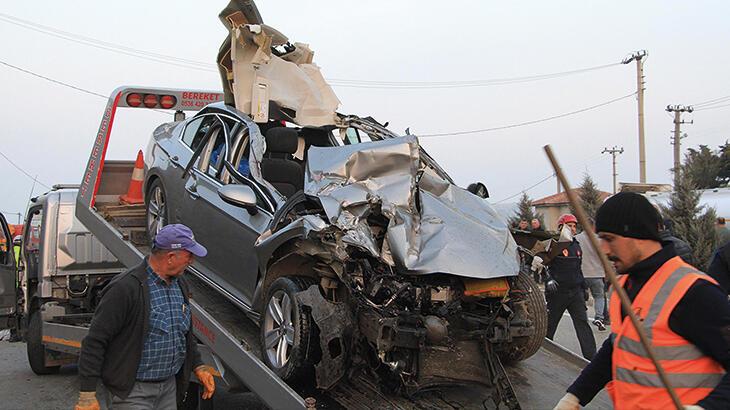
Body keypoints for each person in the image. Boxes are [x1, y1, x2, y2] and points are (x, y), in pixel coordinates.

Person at [554, 192, 730, 410]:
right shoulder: (623, 286)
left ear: (638, 236)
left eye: (610, 239)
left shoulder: (694, 292)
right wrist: (575, 396)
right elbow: (618, 346)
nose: (604, 250)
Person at [75, 224, 216, 410]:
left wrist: (198, 365)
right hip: (132, 392)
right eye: (189, 255)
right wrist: (87, 394)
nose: (192, 261)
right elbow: (95, 341)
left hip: (168, 389)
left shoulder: (180, 284)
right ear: (171, 257)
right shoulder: (125, 288)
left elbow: (184, 332)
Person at [538, 213, 597, 360]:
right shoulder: (554, 245)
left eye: (574, 226)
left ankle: (591, 359)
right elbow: (543, 265)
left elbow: (578, 268)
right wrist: (548, 280)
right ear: (561, 228)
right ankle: (542, 357)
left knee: (583, 325)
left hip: (575, 293)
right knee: (549, 327)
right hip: (558, 293)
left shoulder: (576, 246)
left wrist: (584, 288)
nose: (572, 228)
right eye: (569, 225)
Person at [575, 225, 608, 331]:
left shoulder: (576, 239)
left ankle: (582, 318)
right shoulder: (599, 240)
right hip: (597, 273)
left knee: (581, 297)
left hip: (581, 273)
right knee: (599, 296)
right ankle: (599, 317)